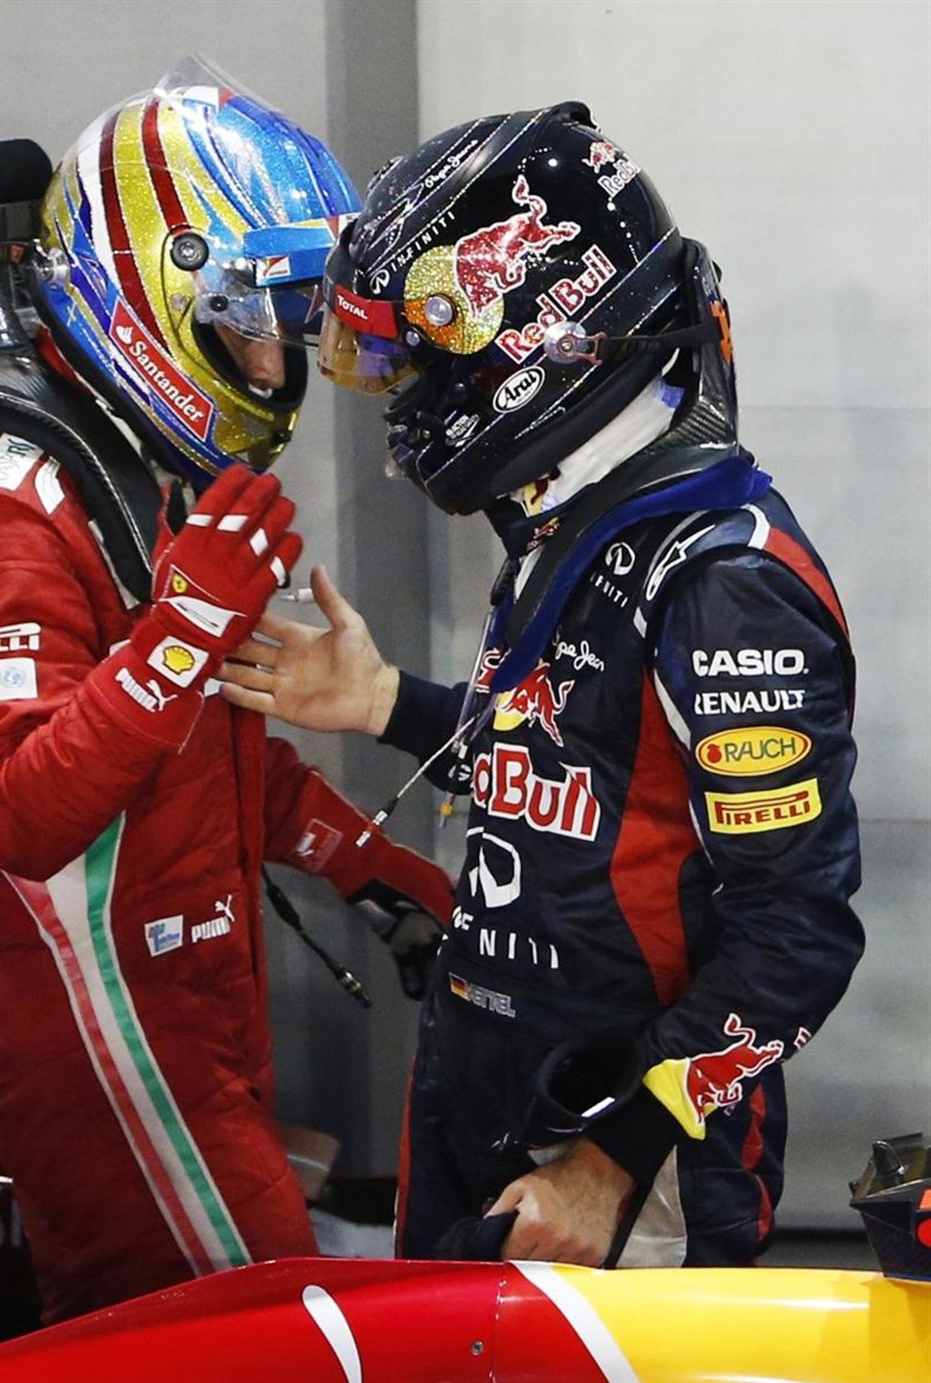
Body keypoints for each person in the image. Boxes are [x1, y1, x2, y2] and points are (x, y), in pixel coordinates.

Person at [221, 102, 863, 1269]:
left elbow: (799, 935)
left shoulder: (723, 578)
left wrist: (610, 1163)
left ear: (530, 331)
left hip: (622, 1165)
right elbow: (580, 770)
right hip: (490, 1098)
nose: (399, 397)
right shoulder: (573, 512)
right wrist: (386, 704)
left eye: (412, 360)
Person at [0, 63, 454, 1323]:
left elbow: (210, 752)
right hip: (106, 1036)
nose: (274, 357)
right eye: (251, 321)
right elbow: (13, 811)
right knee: (254, 1367)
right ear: (154, 292)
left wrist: (369, 868)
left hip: (197, 1007)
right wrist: (185, 624)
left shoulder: (140, 472)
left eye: (287, 323)